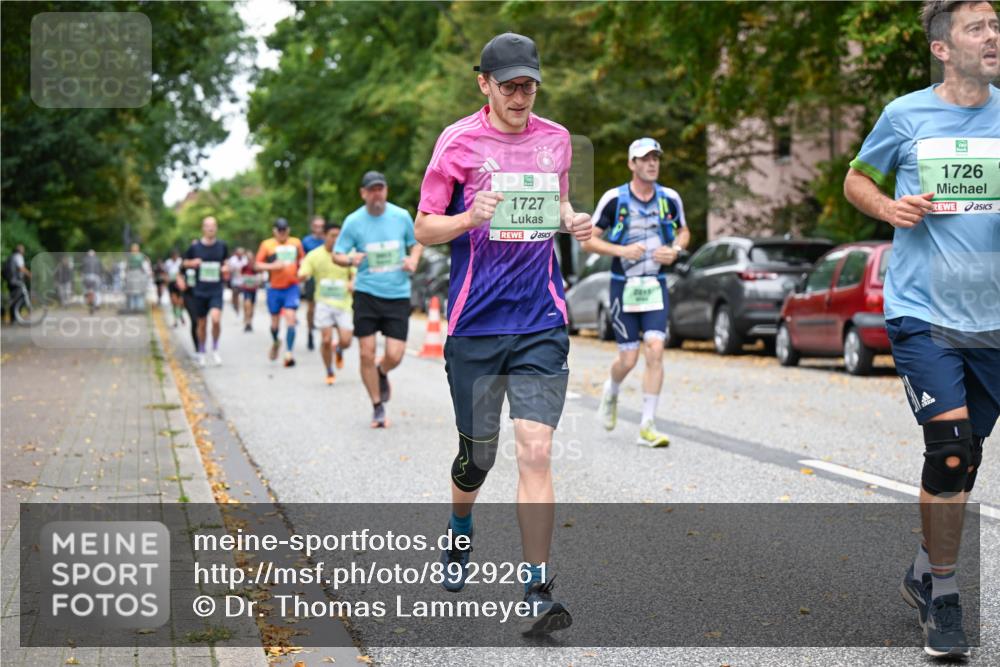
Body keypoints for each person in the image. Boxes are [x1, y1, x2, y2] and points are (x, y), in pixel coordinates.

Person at [414, 32, 592, 635]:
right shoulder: (457, 143)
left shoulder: (557, 140)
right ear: (483, 82)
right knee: (478, 458)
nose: (521, 95)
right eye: (509, 84)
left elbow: (560, 207)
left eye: (529, 84)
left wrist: (573, 219)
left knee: (536, 449)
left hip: (540, 319)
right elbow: (423, 229)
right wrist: (468, 216)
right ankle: (461, 526)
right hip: (475, 325)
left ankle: (538, 587)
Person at [843, 0, 999, 658]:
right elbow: (855, 180)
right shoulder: (904, 116)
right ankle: (944, 593)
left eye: (996, 26)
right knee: (951, 450)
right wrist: (890, 206)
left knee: (969, 457)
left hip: (992, 319)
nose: (992, 36)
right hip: (921, 310)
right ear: (943, 48)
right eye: (977, 29)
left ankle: (920, 566)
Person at [584, 138, 690, 447]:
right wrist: (622, 250)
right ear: (632, 164)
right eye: (644, 159)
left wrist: (676, 250)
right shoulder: (614, 199)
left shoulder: (669, 198)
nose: (652, 163)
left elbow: (684, 230)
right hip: (624, 286)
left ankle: (647, 424)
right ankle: (612, 390)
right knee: (628, 359)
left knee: (655, 349)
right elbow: (587, 240)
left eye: (655, 158)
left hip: (655, 286)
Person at [334, 171, 422, 428]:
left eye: (380, 188)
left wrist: (413, 259)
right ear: (363, 193)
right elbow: (337, 254)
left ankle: (382, 371)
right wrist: (350, 259)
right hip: (366, 293)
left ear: (386, 190)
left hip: (397, 294)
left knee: (395, 354)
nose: (377, 194)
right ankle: (377, 406)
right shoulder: (353, 221)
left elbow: (417, 242)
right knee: (365, 353)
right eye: (372, 189)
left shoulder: (401, 216)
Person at [299, 221, 355, 385]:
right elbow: (304, 271)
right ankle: (329, 370)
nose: (336, 239)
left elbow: (354, 274)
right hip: (323, 303)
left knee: (346, 341)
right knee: (325, 340)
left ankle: (339, 349)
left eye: (339, 236)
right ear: (324, 236)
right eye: (332, 236)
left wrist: (353, 283)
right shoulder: (314, 255)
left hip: (343, 303)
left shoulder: (347, 254)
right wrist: (302, 275)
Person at [255, 218, 305, 366]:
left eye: (285, 230)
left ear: (288, 230)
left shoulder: (296, 243)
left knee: (290, 317)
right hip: (274, 288)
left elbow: (303, 259)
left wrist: (303, 269)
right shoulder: (267, 245)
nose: (282, 233)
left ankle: (289, 353)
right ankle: (276, 341)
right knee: (275, 323)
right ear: (274, 231)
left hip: (291, 287)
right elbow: (257, 265)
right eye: (279, 230)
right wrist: (273, 266)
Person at [183, 217, 230, 367]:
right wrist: (192, 263)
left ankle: (215, 348)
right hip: (200, 291)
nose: (210, 228)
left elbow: (226, 263)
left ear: (216, 228)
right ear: (203, 228)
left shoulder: (222, 246)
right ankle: (202, 351)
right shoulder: (195, 247)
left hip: (216, 289)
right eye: (207, 226)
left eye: (213, 226)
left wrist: (225, 268)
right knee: (201, 324)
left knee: (216, 319)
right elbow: (184, 263)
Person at [301, 216, 327, 351]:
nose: (319, 229)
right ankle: (310, 332)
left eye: (321, 226)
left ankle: (326, 338)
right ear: (312, 227)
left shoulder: (328, 240)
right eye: (316, 226)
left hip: (326, 279)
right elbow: (302, 259)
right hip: (311, 278)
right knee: (311, 308)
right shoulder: (306, 242)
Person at [3, 244, 30, 323]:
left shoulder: (12, 256)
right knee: (17, 299)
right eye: (23, 249)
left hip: (11, 281)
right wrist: (29, 274)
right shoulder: (18, 257)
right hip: (16, 282)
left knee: (15, 299)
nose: (24, 251)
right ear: (21, 250)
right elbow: (21, 268)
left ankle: (14, 318)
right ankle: (14, 319)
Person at [125, 243, 150, 313]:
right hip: (138, 274)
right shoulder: (141, 256)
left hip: (132, 274)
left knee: (133, 292)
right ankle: (138, 307)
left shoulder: (129, 256)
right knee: (139, 292)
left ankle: (134, 307)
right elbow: (145, 265)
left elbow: (126, 267)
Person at [164, 249, 185, 328]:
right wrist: (166, 281)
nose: (175, 257)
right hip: (172, 284)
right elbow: (165, 273)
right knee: (174, 303)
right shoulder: (168, 262)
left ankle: (180, 314)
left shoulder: (181, 261)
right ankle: (175, 320)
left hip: (180, 283)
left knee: (181, 303)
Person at [240, 254, 261, 332]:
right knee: (247, 305)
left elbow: (260, 275)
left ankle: (250, 322)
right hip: (246, 289)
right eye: (249, 259)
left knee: (252, 307)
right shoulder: (244, 267)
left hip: (254, 290)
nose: (250, 260)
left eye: (252, 259)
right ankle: (247, 321)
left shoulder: (256, 267)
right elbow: (241, 275)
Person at [227, 248, 247, 316]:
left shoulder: (245, 259)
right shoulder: (232, 259)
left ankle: (240, 307)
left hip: (243, 280)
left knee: (244, 296)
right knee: (235, 294)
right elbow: (229, 269)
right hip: (234, 280)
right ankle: (235, 305)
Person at [82, 249, 102, 315]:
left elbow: (82, 269)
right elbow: (101, 269)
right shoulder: (98, 260)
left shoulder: (85, 260)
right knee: (97, 291)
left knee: (85, 289)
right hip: (96, 277)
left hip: (87, 277)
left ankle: (86, 301)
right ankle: (98, 304)